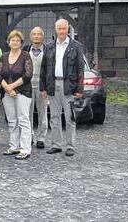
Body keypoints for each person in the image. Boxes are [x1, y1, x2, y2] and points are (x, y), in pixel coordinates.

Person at [40, 19, 84, 157]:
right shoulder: (49, 47)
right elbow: (44, 68)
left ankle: (70, 146)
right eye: (59, 28)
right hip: (53, 85)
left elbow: (80, 70)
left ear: (68, 29)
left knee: (70, 118)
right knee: (54, 117)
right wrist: (43, 88)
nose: (61, 31)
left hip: (69, 86)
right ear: (55, 29)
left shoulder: (76, 46)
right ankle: (56, 144)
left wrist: (79, 89)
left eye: (64, 28)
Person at [0, 30, 33, 160]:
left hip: (22, 92)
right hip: (7, 93)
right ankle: (14, 146)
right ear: (9, 42)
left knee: (23, 120)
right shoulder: (4, 56)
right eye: (13, 40)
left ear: (21, 42)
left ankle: (25, 149)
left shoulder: (26, 56)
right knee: (12, 121)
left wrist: (12, 86)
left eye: (17, 40)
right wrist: (7, 88)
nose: (15, 42)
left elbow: (28, 75)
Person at [23, 27, 48, 149]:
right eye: (34, 34)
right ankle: (30, 136)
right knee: (28, 113)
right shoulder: (26, 50)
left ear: (42, 37)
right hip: (27, 86)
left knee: (43, 113)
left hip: (42, 86)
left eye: (39, 34)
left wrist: (47, 87)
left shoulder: (48, 51)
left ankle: (41, 138)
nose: (37, 36)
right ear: (30, 36)